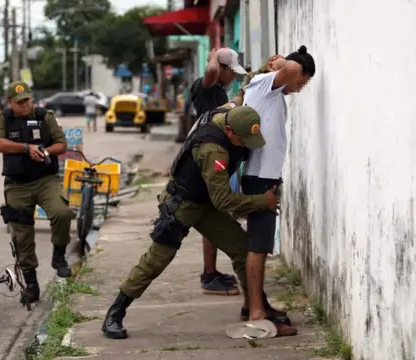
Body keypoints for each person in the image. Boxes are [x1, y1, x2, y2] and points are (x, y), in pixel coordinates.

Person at [101, 103, 279, 340]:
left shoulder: (228, 113)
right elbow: (224, 200)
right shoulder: (212, 150)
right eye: (243, 139)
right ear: (229, 132)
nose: (247, 144)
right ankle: (115, 313)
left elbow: (244, 92)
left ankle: (256, 306)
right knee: (156, 260)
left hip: (205, 203)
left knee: (242, 248)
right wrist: (262, 201)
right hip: (182, 204)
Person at [236, 45, 316, 336]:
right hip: (259, 179)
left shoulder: (271, 92)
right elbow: (292, 69)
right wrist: (285, 63)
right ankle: (257, 312)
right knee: (258, 247)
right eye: (301, 82)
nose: (299, 87)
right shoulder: (264, 84)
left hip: (264, 178)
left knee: (260, 246)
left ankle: (254, 305)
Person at [0, 81, 77, 304]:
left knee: (62, 212)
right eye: (19, 102)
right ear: (9, 102)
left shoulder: (45, 116)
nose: (25, 105)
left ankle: (59, 256)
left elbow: (62, 144)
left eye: (27, 99)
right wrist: (26, 148)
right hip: (17, 184)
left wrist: (44, 150)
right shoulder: (3, 119)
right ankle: (31, 285)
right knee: (22, 235)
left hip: (45, 180)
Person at [190, 47, 248, 296]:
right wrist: (214, 55)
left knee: (213, 213)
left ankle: (210, 272)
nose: (233, 77)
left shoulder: (219, 90)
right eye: (231, 72)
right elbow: (212, 70)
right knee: (211, 214)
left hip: (214, 154)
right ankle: (209, 274)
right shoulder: (205, 87)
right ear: (222, 68)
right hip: (206, 155)